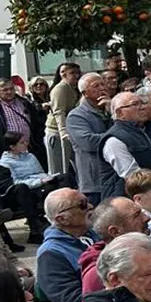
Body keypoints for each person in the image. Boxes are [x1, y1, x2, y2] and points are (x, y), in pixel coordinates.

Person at [36, 189, 93, 302]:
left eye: (88, 201)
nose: (91, 207)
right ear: (62, 219)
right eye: (82, 205)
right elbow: (72, 301)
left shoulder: (94, 234)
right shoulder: (51, 254)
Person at [100, 90, 151, 200]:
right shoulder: (114, 140)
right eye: (135, 104)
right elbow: (133, 176)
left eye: (142, 103)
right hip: (131, 203)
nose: (142, 107)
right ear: (120, 113)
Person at [64, 72, 112, 207]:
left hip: (114, 176)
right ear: (85, 93)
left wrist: (113, 112)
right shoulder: (76, 116)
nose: (102, 88)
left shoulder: (112, 110)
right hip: (94, 182)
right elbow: (89, 143)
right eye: (96, 86)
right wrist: (116, 136)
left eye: (103, 84)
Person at [45, 62, 80, 178]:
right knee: (58, 169)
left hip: (70, 131)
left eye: (77, 73)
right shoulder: (60, 89)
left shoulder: (74, 88)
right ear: (63, 75)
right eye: (72, 73)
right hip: (57, 132)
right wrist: (63, 132)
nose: (76, 76)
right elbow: (59, 111)